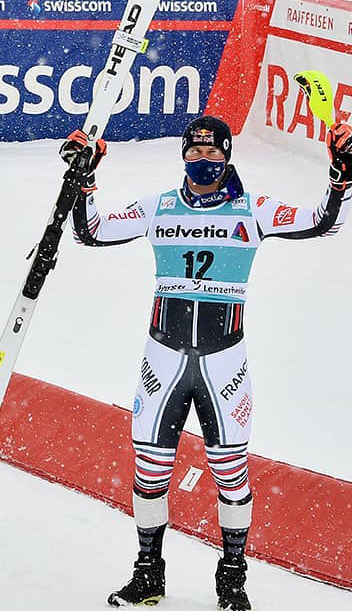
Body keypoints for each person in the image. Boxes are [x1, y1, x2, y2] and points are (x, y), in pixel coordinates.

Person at [63, 115, 352, 610]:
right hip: (163, 363)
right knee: (149, 473)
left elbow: (321, 222)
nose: (202, 162)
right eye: (193, 154)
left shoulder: (252, 209)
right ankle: (149, 573)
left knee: (231, 477)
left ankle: (232, 580)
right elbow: (90, 232)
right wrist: (84, 181)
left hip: (224, 366)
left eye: (212, 154)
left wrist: (340, 177)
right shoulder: (160, 208)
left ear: (227, 155)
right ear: (182, 156)